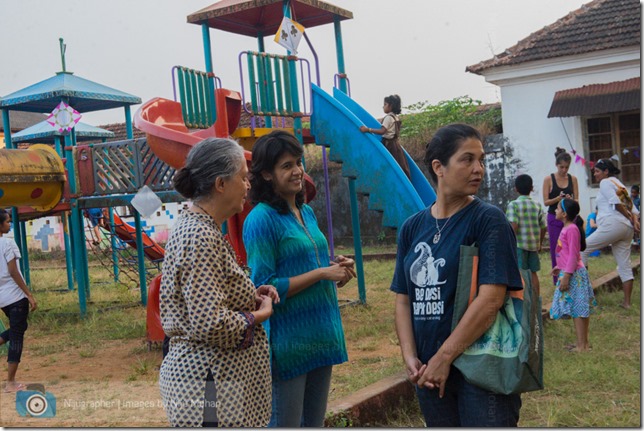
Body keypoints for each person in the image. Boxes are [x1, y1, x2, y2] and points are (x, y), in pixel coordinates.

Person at [391, 124, 524, 426]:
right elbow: (403, 300)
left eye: (482, 160)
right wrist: (411, 358)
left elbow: (492, 298)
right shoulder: (412, 227)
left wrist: (444, 358)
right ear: (439, 167)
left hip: (481, 369)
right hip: (428, 372)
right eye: (467, 159)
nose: (478, 169)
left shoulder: (488, 220)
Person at [159, 138, 278, 427]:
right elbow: (210, 324)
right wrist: (258, 315)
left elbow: (208, 296)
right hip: (209, 382)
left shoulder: (200, 228)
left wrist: (250, 294)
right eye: (242, 177)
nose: (248, 185)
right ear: (220, 184)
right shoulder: (200, 236)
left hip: (214, 381)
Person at [242, 130, 355, 427]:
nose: (298, 171)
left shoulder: (305, 211)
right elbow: (263, 287)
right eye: (287, 165)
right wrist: (321, 273)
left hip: (321, 333)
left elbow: (309, 263)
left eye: (299, 162)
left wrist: (337, 269)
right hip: (288, 343)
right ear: (266, 174)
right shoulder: (261, 219)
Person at [581, 159, 639, 309]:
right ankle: (627, 303)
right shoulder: (620, 185)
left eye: (597, 171)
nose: (595, 174)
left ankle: (584, 296)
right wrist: (634, 220)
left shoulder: (605, 183)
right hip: (627, 230)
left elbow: (616, 203)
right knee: (624, 266)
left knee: (582, 250)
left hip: (613, 224)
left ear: (606, 171)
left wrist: (628, 217)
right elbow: (633, 209)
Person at [549, 199, 597, 352]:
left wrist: (567, 275)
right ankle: (582, 343)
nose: (554, 211)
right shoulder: (568, 228)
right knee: (579, 308)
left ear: (564, 214)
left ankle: (582, 346)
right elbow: (567, 253)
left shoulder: (571, 229)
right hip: (571, 271)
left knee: (578, 309)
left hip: (574, 274)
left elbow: (574, 255)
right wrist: (559, 267)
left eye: (557, 209)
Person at [0, 208, 37, 392]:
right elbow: (13, 271)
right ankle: (10, 382)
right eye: (7, 221)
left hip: (2, 299)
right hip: (15, 296)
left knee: (18, 327)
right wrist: (28, 294)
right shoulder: (7, 244)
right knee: (16, 336)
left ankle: (10, 381)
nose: (10, 224)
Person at [542, 147, 579, 285]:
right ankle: (558, 280)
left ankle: (572, 276)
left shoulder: (573, 179)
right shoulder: (549, 179)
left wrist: (570, 200)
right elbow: (546, 202)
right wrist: (558, 198)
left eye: (567, 167)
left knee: (571, 248)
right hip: (555, 218)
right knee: (556, 249)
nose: (564, 170)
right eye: (561, 167)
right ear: (556, 165)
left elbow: (577, 200)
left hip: (569, 218)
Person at [506, 174, 546, 297]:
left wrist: (508, 244)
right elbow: (543, 226)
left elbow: (514, 226)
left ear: (516, 189)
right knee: (533, 273)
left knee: (521, 274)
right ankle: (536, 302)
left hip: (519, 246)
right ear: (532, 188)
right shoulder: (537, 205)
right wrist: (539, 243)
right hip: (533, 246)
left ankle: (524, 302)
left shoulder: (514, 205)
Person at [359, 94, 411, 178]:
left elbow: (382, 131)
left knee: (389, 165)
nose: (383, 107)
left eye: (385, 104)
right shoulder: (395, 117)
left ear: (391, 106)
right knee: (400, 164)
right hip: (396, 145)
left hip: (389, 145)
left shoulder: (388, 117)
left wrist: (368, 129)